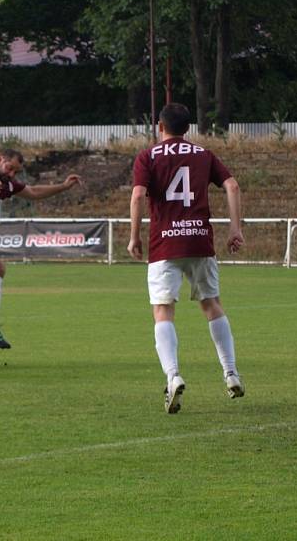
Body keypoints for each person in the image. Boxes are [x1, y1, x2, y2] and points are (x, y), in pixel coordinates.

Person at [128, 102, 245, 414]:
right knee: (211, 304)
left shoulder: (147, 156)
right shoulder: (203, 154)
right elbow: (232, 185)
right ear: (188, 129)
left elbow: (139, 195)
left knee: (163, 310)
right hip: (199, 240)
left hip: (164, 244)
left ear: (160, 127)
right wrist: (235, 229)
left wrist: (134, 235)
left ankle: (173, 376)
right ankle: (230, 373)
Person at [0, 149, 82, 356]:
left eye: (16, 171)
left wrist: (63, 186)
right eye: (10, 168)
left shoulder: (7, 184)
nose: (12, 174)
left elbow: (33, 192)